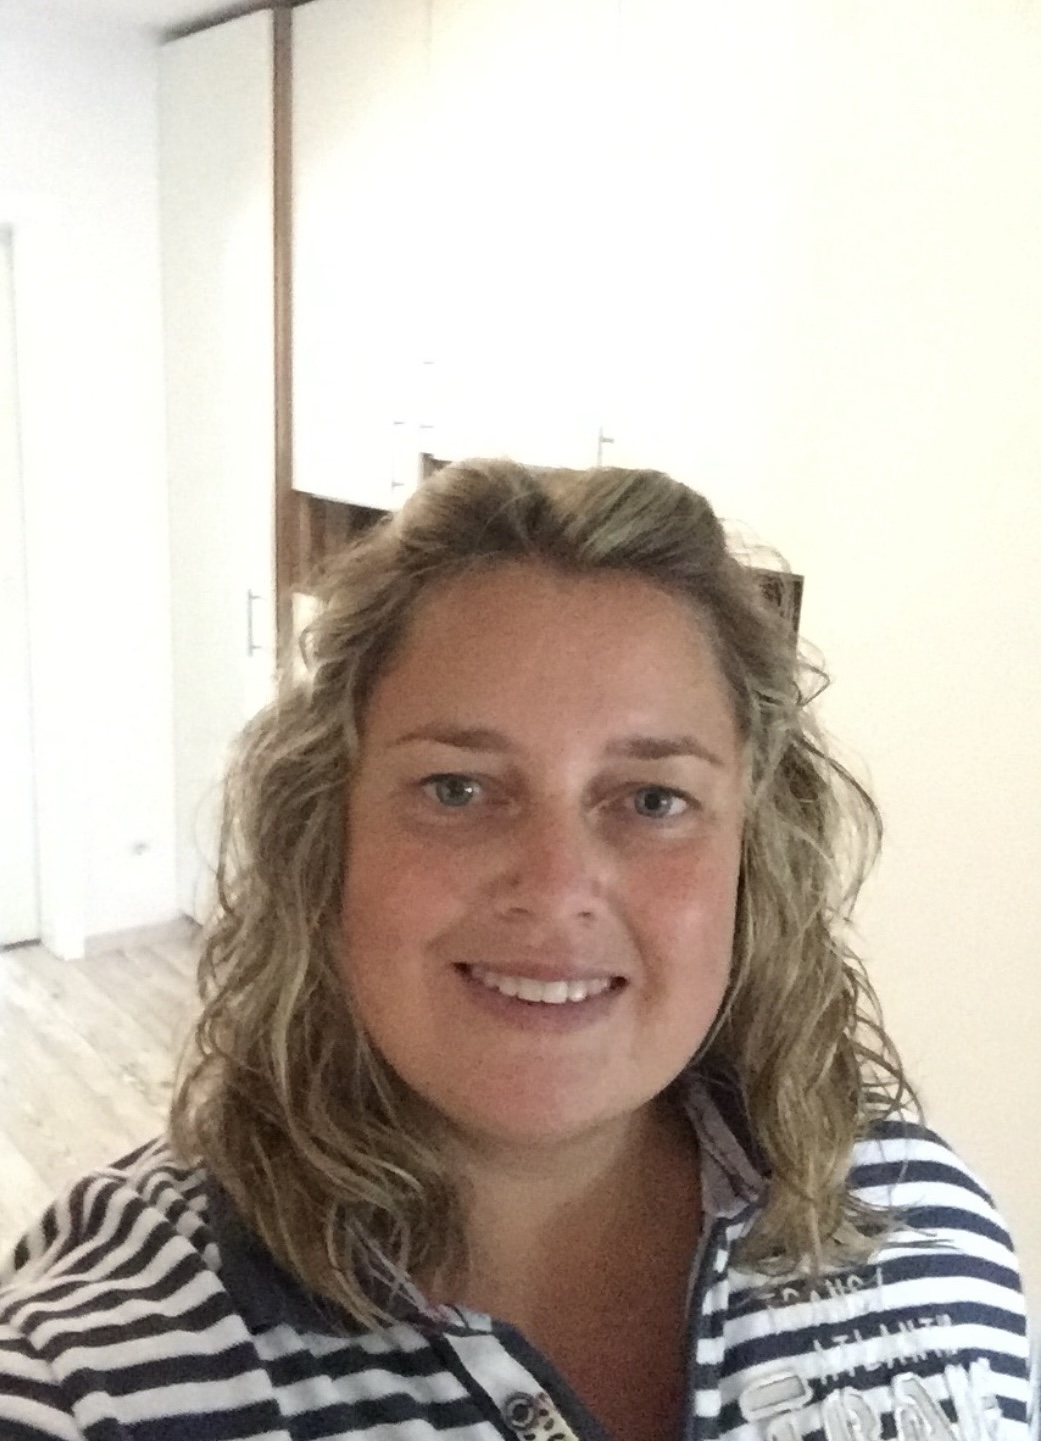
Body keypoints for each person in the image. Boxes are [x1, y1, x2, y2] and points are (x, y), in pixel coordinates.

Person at [0, 459, 1033, 1441]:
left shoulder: (927, 1234)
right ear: (326, 835)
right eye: (457, 789)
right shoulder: (94, 1376)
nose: (554, 886)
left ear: (753, 853)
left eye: (652, 799)